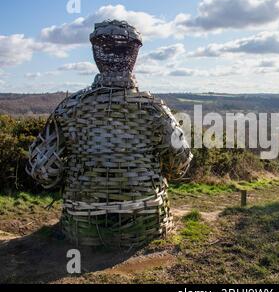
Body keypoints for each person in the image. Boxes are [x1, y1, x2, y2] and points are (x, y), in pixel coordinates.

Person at [27, 20, 192, 247]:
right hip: (145, 220)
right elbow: (181, 160)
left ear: (96, 54)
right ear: (134, 55)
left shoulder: (70, 108)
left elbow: (42, 169)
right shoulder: (153, 109)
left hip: (81, 222)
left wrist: (76, 177)